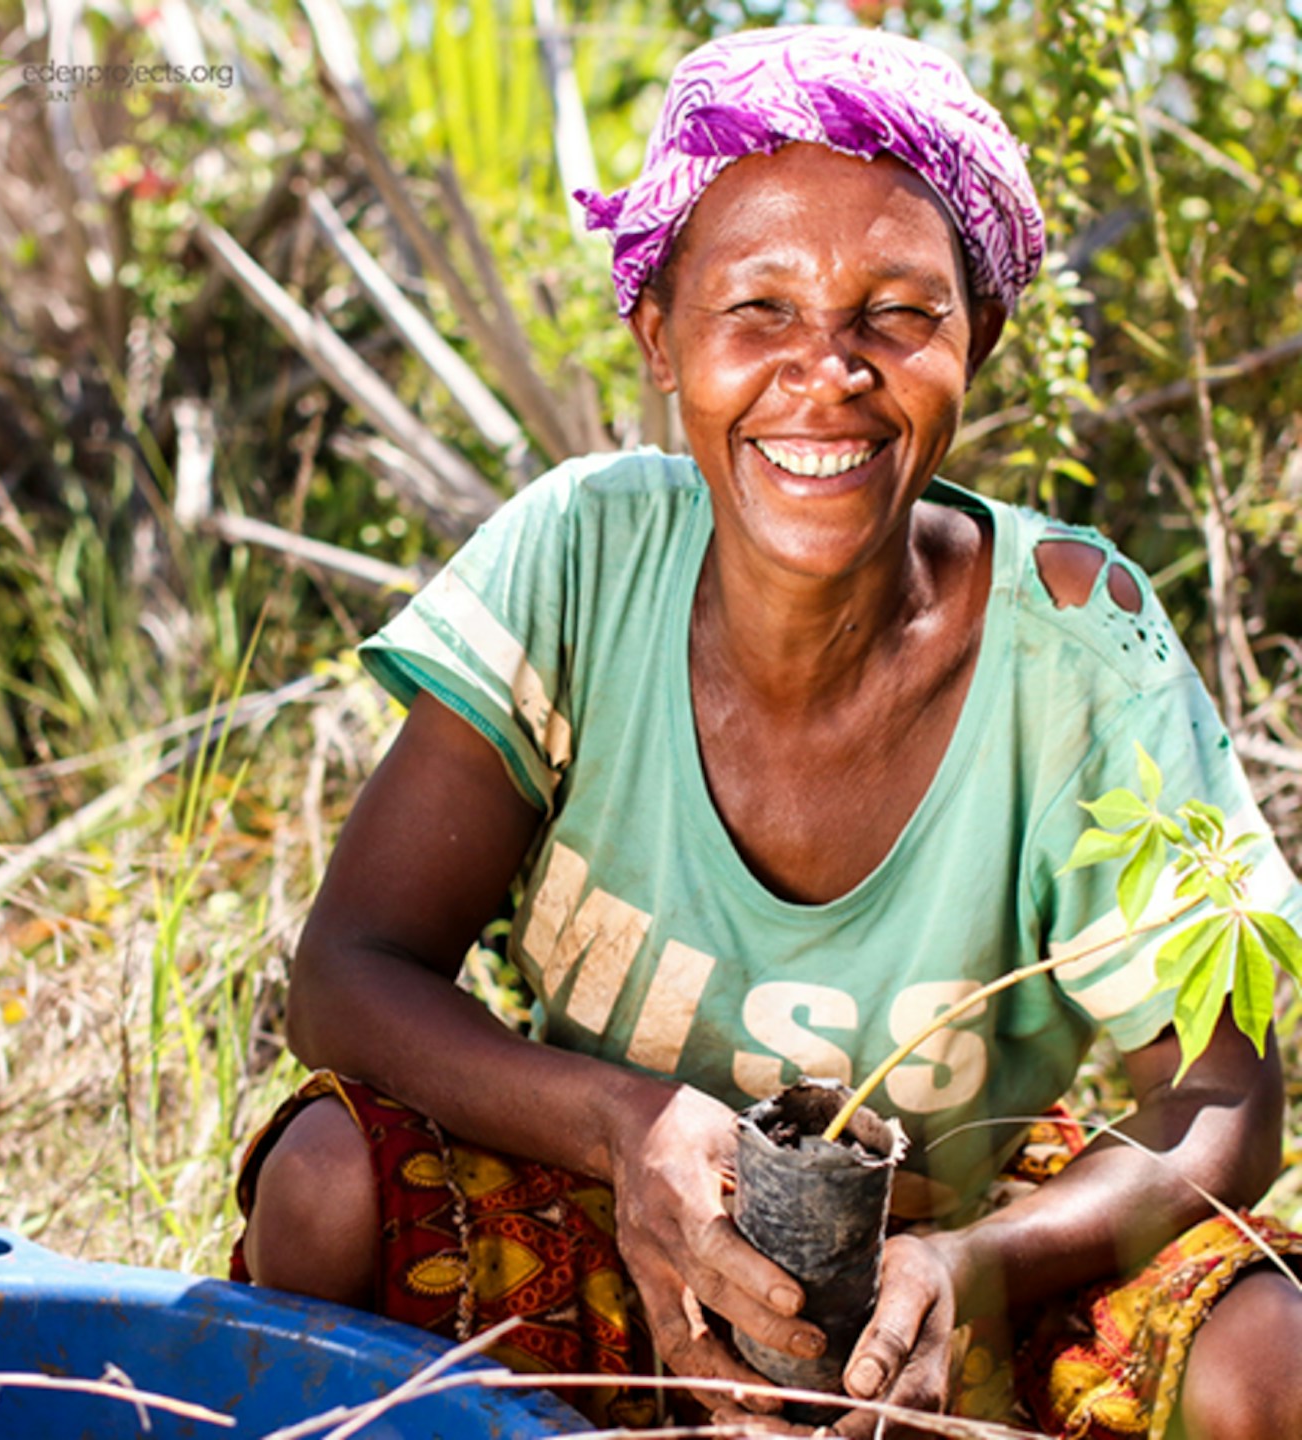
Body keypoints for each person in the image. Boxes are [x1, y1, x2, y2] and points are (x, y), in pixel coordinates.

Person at [231, 26, 1302, 1439]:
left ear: (974, 337)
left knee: (1271, 1357)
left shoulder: (1080, 643)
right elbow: (351, 975)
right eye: (759, 310)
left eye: (898, 314)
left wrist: (967, 1268)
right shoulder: (581, 558)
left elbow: (1222, 1100)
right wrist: (625, 1128)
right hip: (610, 1243)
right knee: (323, 1183)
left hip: (959, 1282)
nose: (828, 372)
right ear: (661, 338)